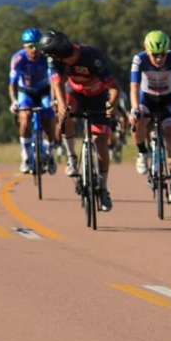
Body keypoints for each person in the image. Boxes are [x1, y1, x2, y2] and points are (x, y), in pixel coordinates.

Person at [39, 30, 120, 212]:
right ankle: (72, 157)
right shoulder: (55, 61)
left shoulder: (92, 56)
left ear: (60, 54)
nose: (50, 58)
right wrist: (61, 105)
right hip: (75, 93)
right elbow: (58, 83)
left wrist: (111, 104)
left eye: (51, 55)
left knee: (101, 144)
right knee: (65, 110)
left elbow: (115, 88)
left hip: (98, 96)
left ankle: (104, 189)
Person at [129, 30, 171, 204]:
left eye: (162, 55)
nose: (159, 59)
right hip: (147, 98)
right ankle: (142, 153)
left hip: (168, 101)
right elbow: (134, 86)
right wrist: (134, 108)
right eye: (155, 55)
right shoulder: (139, 59)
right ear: (147, 50)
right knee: (138, 121)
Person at [9, 27, 57, 174]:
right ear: (25, 47)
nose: (34, 50)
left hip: (44, 91)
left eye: (37, 46)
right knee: (25, 118)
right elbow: (12, 84)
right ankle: (26, 156)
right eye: (31, 46)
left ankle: (50, 152)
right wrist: (14, 101)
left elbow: (54, 81)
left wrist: (54, 100)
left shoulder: (48, 58)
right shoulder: (18, 59)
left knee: (49, 119)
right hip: (26, 92)